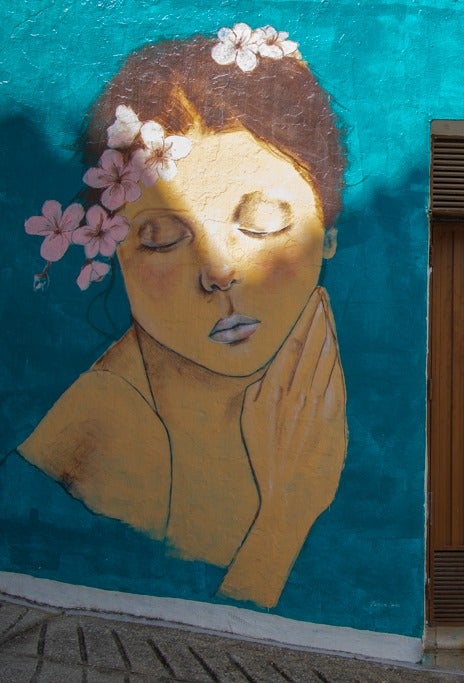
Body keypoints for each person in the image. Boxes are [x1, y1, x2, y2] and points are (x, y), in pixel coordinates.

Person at [19, 24, 347, 608]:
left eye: (263, 222)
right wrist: (286, 514)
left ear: (328, 231)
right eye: (162, 238)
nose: (218, 271)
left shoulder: (308, 386)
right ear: (117, 254)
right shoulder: (108, 430)